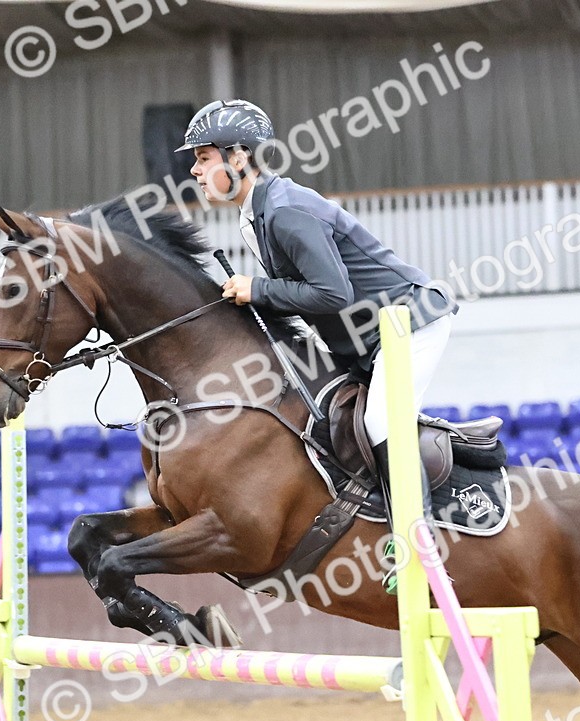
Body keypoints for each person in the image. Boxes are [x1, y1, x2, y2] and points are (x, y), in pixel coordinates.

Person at [179, 99, 457, 592]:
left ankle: (417, 544)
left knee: (377, 422)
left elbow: (333, 293)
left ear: (238, 157)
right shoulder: (256, 211)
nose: (195, 170)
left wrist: (257, 289)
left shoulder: (284, 211)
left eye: (203, 157)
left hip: (410, 324)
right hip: (362, 340)